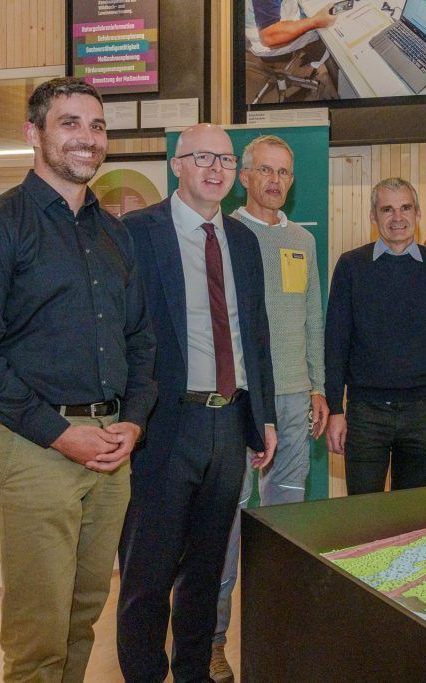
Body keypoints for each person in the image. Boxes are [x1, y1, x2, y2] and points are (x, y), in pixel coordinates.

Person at [0, 76, 156, 682]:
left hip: (112, 450)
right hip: (35, 446)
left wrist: (133, 422)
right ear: (33, 133)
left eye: (97, 126)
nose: (87, 138)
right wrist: (60, 434)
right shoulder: (8, 222)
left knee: (85, 614)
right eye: (70, 123)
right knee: (38, 631)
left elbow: (141, 341)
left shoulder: (114, 234)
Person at [116, 123, 277, 682]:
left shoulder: (244, 241)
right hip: (165, 423)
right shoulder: (138, 234)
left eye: (226, 160)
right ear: (177, 164)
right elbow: (123, 334)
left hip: (230, 422)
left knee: (207, 570)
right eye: (203, 157)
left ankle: (193, 673)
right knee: (147, 573)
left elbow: (256, 335)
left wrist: (263, 417)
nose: (216, 169)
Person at [209, 134, 328, 682]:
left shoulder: (302, 240)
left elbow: (311, 319)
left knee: (283, 526)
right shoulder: (226, 234)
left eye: (284, 172)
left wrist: (317, 387)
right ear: (244, 177)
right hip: (239, 401)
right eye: (265, 170)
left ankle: (279, 639)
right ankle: (213, 643)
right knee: (226, 529)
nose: (276, 181)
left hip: (295, 398)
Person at [325, 177, 426, 494]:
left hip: (424, 412)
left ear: (418, 214)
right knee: (363, 512)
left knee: (413, 515)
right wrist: (335, 409)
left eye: (405, 208)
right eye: (387, 209)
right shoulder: (350, 266)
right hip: (365, 414)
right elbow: (335, 344)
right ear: (373, 216)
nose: (397, 217)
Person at [245, 0, 337, 103]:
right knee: (329, 35)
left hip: (271, 19)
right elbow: (268, 37)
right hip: (271, 39)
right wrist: (315, 22)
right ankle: (323, 72)